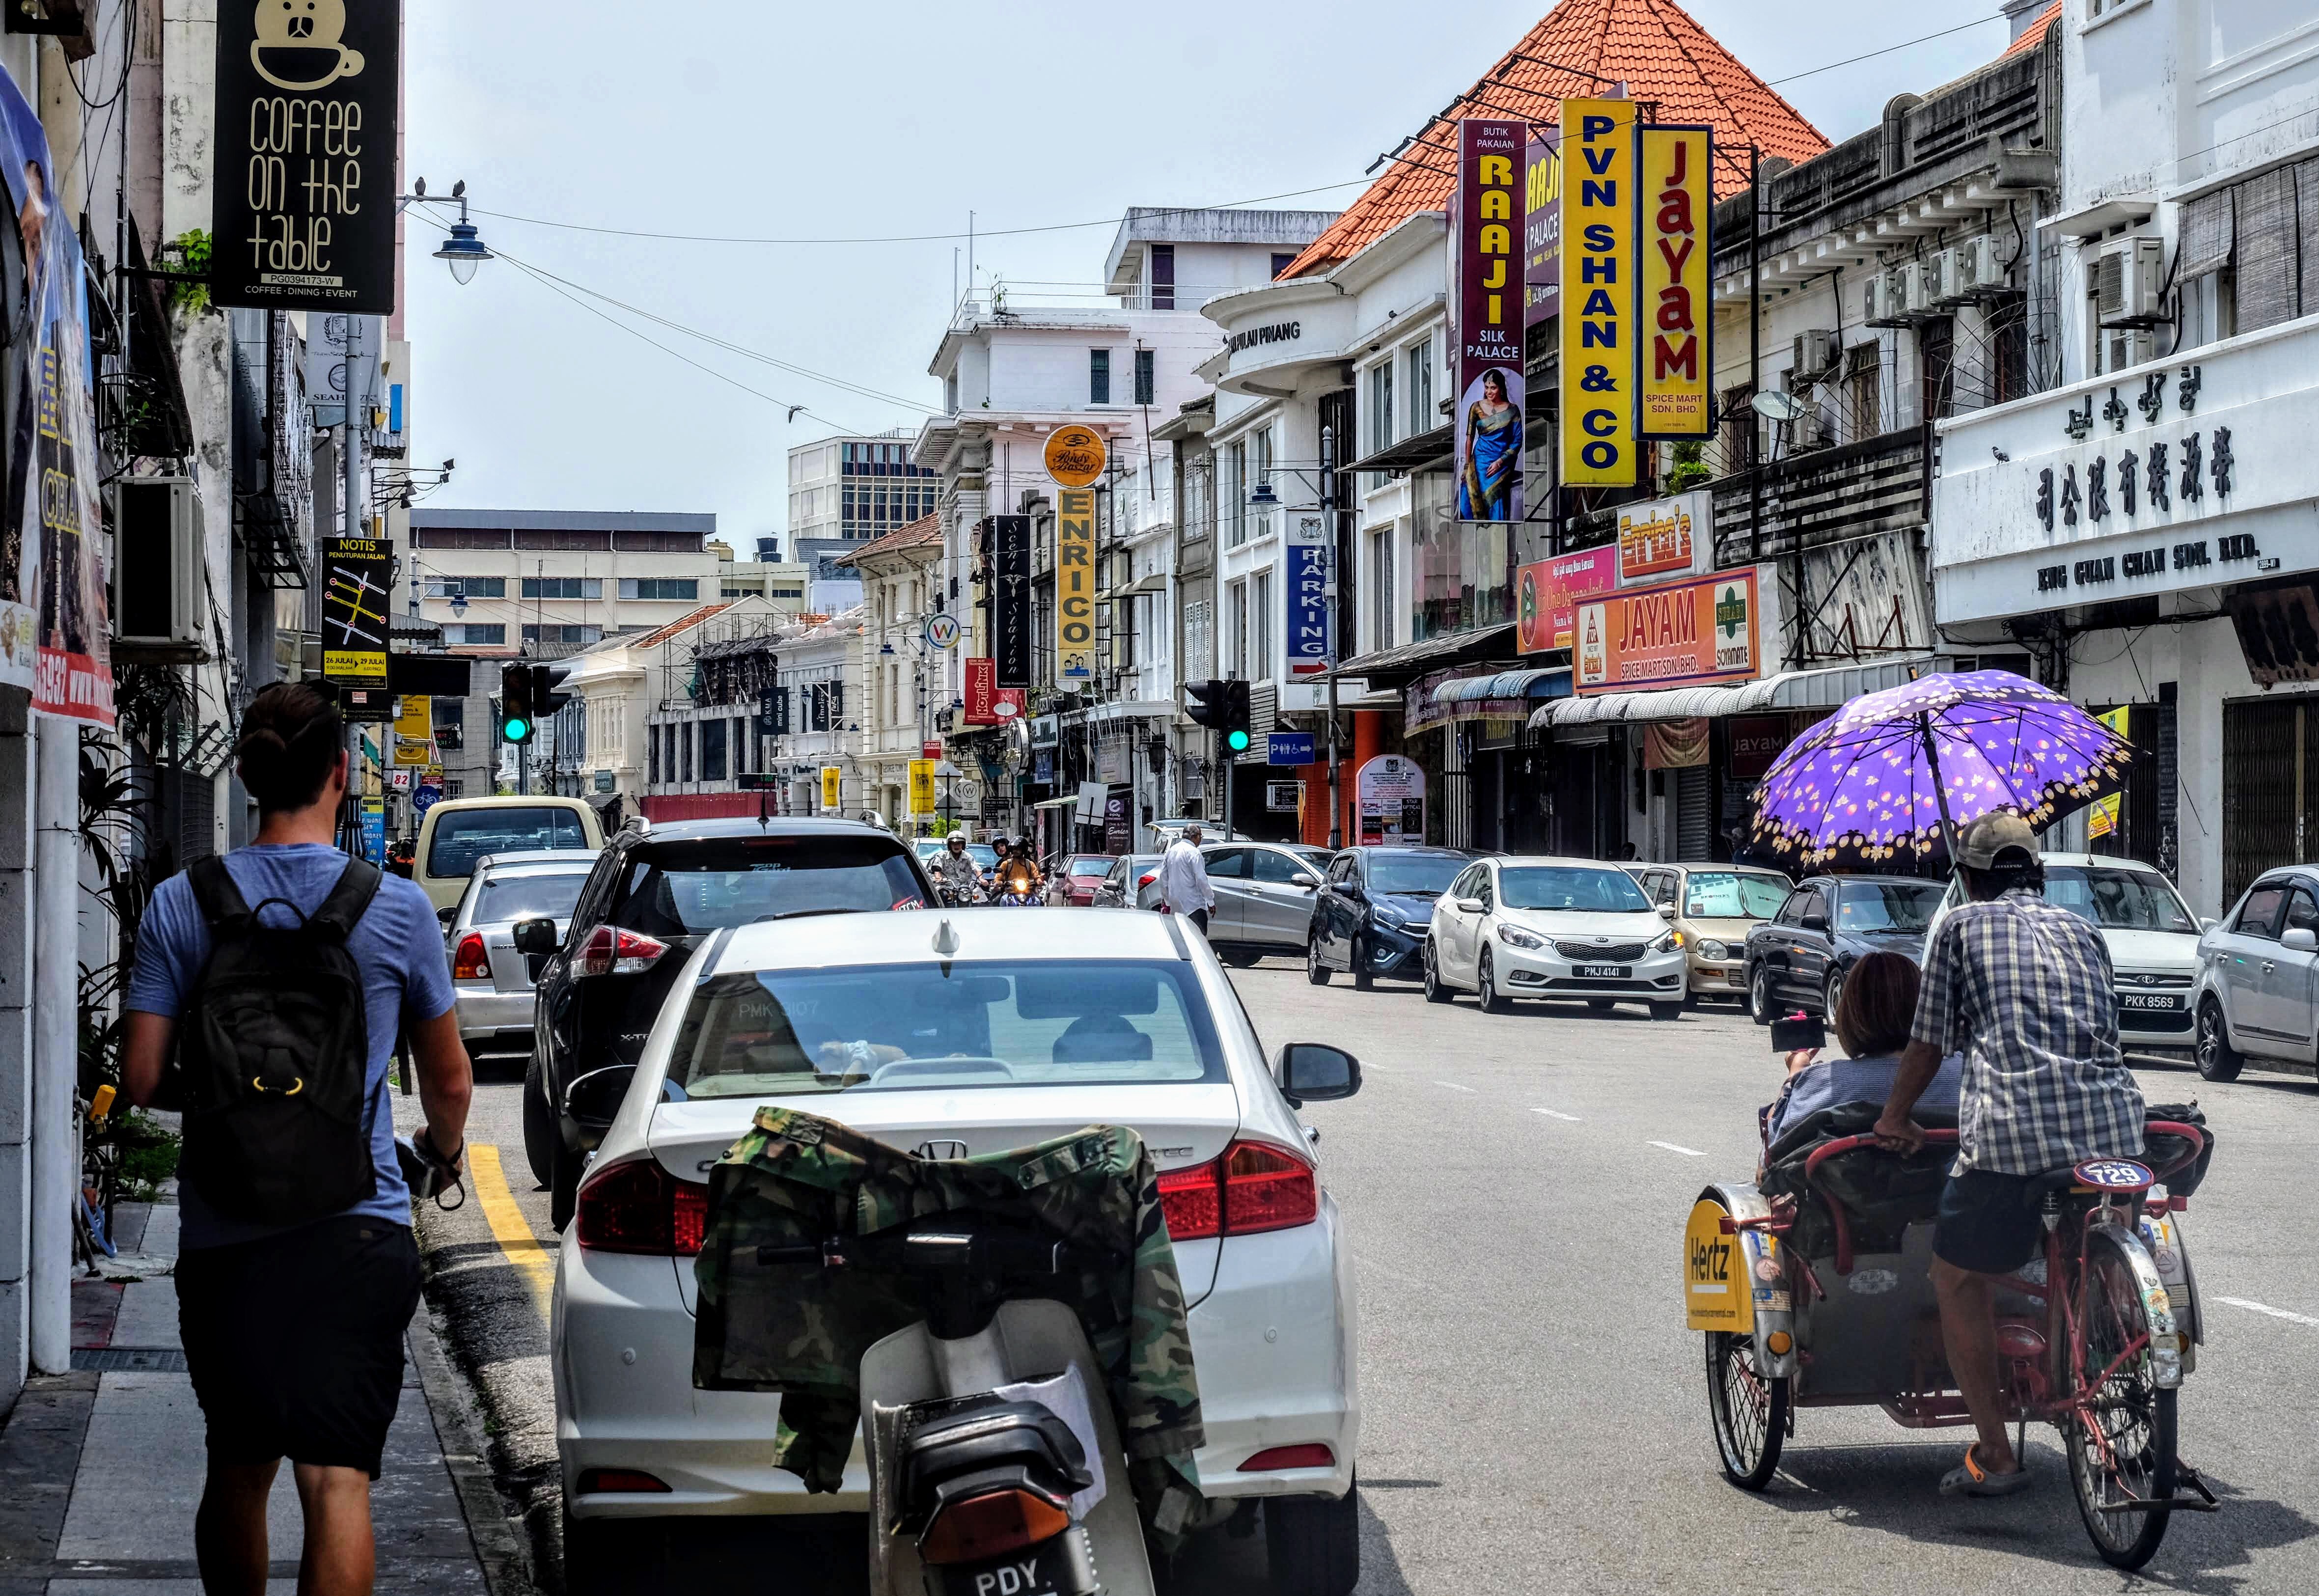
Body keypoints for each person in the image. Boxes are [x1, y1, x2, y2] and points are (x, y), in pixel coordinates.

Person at [121, 683, 474, 1596]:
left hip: (225, 1235)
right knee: (336, 1480)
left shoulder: (177, 904)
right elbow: (449, 1082)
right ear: (340, 772)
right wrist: (442, 1152)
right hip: (356, 1231)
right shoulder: (395, 911)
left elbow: (145, 1077)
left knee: (238, 1468)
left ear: (245, 776)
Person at [1874, 811, 2145, 1499]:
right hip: (2114, 1129)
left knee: (1956, 1275)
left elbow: (1928, 1042)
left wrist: (1895, 1114)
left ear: (1966, 878)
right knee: (2081, 1250)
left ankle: (1995, 1452)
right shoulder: (2083, 929)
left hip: (2009, 1134)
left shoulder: (1959, 928)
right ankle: (2092, 1353)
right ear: (2037, 871)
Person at [1763, 951, 1961, 1145]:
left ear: (1850, 1014)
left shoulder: (1817, 1082)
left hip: (1838, 1178)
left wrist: (1795, 1073)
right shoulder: (1965, 1075)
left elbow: (1774, 1146)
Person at [1457, 366, 1521, 521]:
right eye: (1487, 388)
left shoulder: (1512, 410)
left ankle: (1496, 532)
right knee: (1468, 498)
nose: (1489, 392)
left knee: (1495, 498)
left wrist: (1500, 462)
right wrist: (1467, 467)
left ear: (1501, 389)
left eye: (1493, 388)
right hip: (1478, 460)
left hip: (1500, 463)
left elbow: (1517, 440)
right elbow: (1470, 438)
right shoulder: (1476, 407)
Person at [1158, 824, 1215, 934]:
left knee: (1180, 937)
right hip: (1193, 905)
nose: (1200, 840)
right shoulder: (1194, 853)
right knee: (1198, 937)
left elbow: (1164, 879)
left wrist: (1167, 901)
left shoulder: (1171, 851)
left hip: (1176, 905)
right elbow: (1201, 879)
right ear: (1195, 837)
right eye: (1201, 837)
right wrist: (1210, 900)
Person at [930, 831, 980, 905]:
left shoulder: (968, 857)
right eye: (954, 844)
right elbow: (937, 869)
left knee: (980, 898)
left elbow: (976, 868)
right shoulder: (942, 856)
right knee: (943, 896)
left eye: (959, 844)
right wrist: (938, 878)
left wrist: (981, 878)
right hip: (947, 887)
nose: (957, 846)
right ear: (950, 845)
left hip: (966, 888)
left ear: (963, 845)